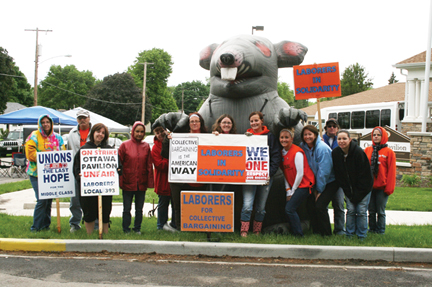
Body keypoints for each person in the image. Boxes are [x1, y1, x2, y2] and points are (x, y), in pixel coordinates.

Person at [161, 112, 207, 230]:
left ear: (201, 123)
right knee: (180, 204)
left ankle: (198, 226)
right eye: (192, 121)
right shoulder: (180, 136)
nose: (194, 123)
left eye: (197, 121)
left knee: (199, 204)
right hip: (183, 178)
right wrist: (168, 140)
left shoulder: (208, 136)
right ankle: (180, 227)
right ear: (188, 123)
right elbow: (165, 154)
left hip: (202, 178)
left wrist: (217, 135)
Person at [73, 123, 121, 235]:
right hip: (89, 187)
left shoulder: (109, 150)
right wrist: (79, 175)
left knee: (105, 211)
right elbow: (76, 168)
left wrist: (118, 170)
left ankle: (105, 234)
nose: (100, 134)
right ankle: (89, 235)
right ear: (93, 133)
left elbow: (118, 166)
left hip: (105, 188)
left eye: (103, 133)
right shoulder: (84, 150)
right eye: (98, 131)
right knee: (89, 211)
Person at [240, 111, 281, 237]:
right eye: (252, 121)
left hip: (265, 177)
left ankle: (257, 230)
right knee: (247, 205)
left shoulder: (270, 137)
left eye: (256, 120)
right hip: (249, 176)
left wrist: (270, 172)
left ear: (262, 121)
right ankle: (244, 231)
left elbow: (276, 156)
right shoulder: (246, 136)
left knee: (261, 207)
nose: (254, 123)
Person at [25, 114, 65, 232]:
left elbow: (63, 153)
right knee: (42, 200)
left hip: (51, 174)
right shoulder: (34, 136)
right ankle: (36, 228)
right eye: (43, 122)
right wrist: (46, 158)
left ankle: (45, 226)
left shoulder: (58, 138)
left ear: (51, 123)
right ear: (39, 124)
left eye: (48, 122)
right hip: (36, 173)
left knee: (48, 201)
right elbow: (30, 154)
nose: (45, 124)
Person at [332, 130, 373, 239]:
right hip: (348, 189)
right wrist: (349, 192)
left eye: (344, 138)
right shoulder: (336, 153)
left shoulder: (358, 152)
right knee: (350, 210)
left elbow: (365, 175)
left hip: (363, 188)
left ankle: (361, 235)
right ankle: (349, 234)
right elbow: (339, 174)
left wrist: (358, 194)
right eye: (339, 139)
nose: (342, 141)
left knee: (361, 211)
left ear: (349, 139)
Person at [300, 125, 339, 236]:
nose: (307, 137)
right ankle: (316, 231)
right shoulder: (304, 146)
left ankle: (326, 234)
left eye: (310, 134)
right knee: (310, 206)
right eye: (305, 134)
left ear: (315, 135)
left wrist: (319, 190)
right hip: (315, 181)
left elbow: (324, 172)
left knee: (320, 206)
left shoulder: (322, 148)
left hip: (329, 181)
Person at [118, 121, 154, 234]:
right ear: (133, 131)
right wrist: (120, 180)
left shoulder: (146, 146)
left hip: (141, 183)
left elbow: (149, 165)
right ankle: (126, 228)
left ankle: (137, 228)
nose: (139, 134)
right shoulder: (124, 145)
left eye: (142, 132)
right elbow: (119, 164)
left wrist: (150, 182)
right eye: (137, 131)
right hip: (128, 181)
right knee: (126, 208)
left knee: (139, 209)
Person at [279, 128, 315, 236]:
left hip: (305, 184)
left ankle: (298, 234)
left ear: (292, 139)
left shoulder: (297, 152)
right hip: (293, 186)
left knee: (289, 209)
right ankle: (294, 231)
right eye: (282, 137)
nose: (284, 140)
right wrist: (288, 190)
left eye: (286, 137)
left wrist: (293, 190)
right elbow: (284, 173)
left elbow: (300, 173)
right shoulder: (281, 153)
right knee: (289, 208)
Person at [364, 127, 396, 234]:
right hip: (370, 186)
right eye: (374, 135)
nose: (376, 137)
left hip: (382, 187)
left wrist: (389, 188)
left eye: (378, 135)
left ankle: (381, 230)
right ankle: (372, 229)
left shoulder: (389, 152)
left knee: (380, 211)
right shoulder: (368, 150)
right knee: (371, 210)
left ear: (383, 137)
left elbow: (391, 171)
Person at [68, 109, 91, 233]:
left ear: (89, 118)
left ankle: (94, 223)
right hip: (76, 170)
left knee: (92, 199)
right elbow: (68, 151)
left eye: (84, 117)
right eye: (80, 118)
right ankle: (75, 223)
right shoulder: (72, 133)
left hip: (91, 170)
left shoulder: (96, 131)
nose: (82, 120)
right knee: (75, 199)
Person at [322, 118, 346, 235]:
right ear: (325, 128)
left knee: (339, 205)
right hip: (324, 179)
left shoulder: (341, 141)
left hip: (338, 179)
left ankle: (340, 229)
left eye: (334, 126)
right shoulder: (320, 140)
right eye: (329, 126)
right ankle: (324, 229)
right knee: (323, 206)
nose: (332, 128)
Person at [152, 126, 176, 231]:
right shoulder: (155, 148)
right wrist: (173, 161)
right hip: (162, 180)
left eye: (162, 131)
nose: (160, 134)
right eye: (157, 133)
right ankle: (160, 225)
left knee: (175, 204)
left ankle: (175, 224)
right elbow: (159, 164)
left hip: (175, 178)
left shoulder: (173, 141)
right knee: (163, 204)